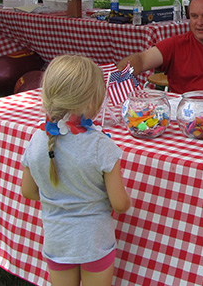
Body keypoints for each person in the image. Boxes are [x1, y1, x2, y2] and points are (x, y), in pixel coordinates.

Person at [20, 55, 131, 286]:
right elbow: (120, 205)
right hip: (94, 241)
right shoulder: (102, 146)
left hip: (57, 239)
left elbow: (28, 191)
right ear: (93, 102)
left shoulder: (37, 139)